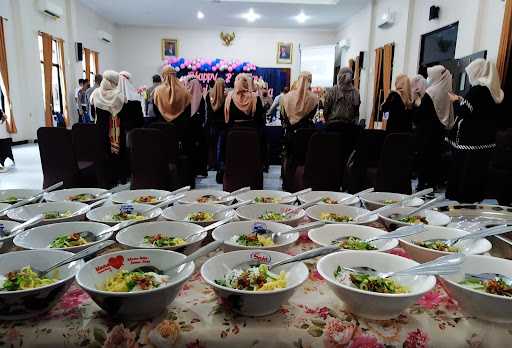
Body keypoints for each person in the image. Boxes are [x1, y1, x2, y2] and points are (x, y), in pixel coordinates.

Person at [446, 59, 504, 203]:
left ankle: (463, 199)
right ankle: (474, 198)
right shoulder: (494, 91)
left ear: (477, 73)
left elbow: (464, 112)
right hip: (486, 141)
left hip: (470, 141)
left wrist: (455, 101)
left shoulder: (478, 89)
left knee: (465, 172)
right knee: (478, 172)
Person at [90, 70, 125, 185]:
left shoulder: (95, 93)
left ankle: (104, 180)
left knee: (102, 153)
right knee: (115, 154)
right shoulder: (119, 95)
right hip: (115, 129)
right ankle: (116, 178)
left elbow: (92, 113)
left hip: (99, 129)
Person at [410, 75, 444, 190]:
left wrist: (414, 100)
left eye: (416, 85)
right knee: (425, 160)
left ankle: (427, 185)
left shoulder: (428, 98)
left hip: (429, 134)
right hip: (425, 134)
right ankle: (425, 184)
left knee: (427, 160)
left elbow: (420, 116)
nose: (415, 88)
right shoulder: (422, 98)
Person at [116, 71, 144, 183]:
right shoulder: (135, 99)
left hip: (117, 132)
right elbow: (140, 120)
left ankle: (122, 176)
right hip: (133, 133)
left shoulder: (114, 99)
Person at [185, 77, 208, 177]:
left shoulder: (186, 97)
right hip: (199, 127)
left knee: (192, 149)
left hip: (190, 127)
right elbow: (204, 115)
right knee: (200, 149)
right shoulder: (201, 98)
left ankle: (194, 170)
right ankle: (200, 170)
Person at [206, 78, 226, 171]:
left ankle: (211, 164)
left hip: (211, 124)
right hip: (222, 125)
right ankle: (219, 165)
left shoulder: (209, 95)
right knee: (220, 146)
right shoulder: (225, 97)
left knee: (211, 145)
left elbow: (208, 112)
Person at [426, 65, 454, 130]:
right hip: (442, 131)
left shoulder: (430, 92)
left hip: (428, 130)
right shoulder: (450, 94)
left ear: (436, 76)